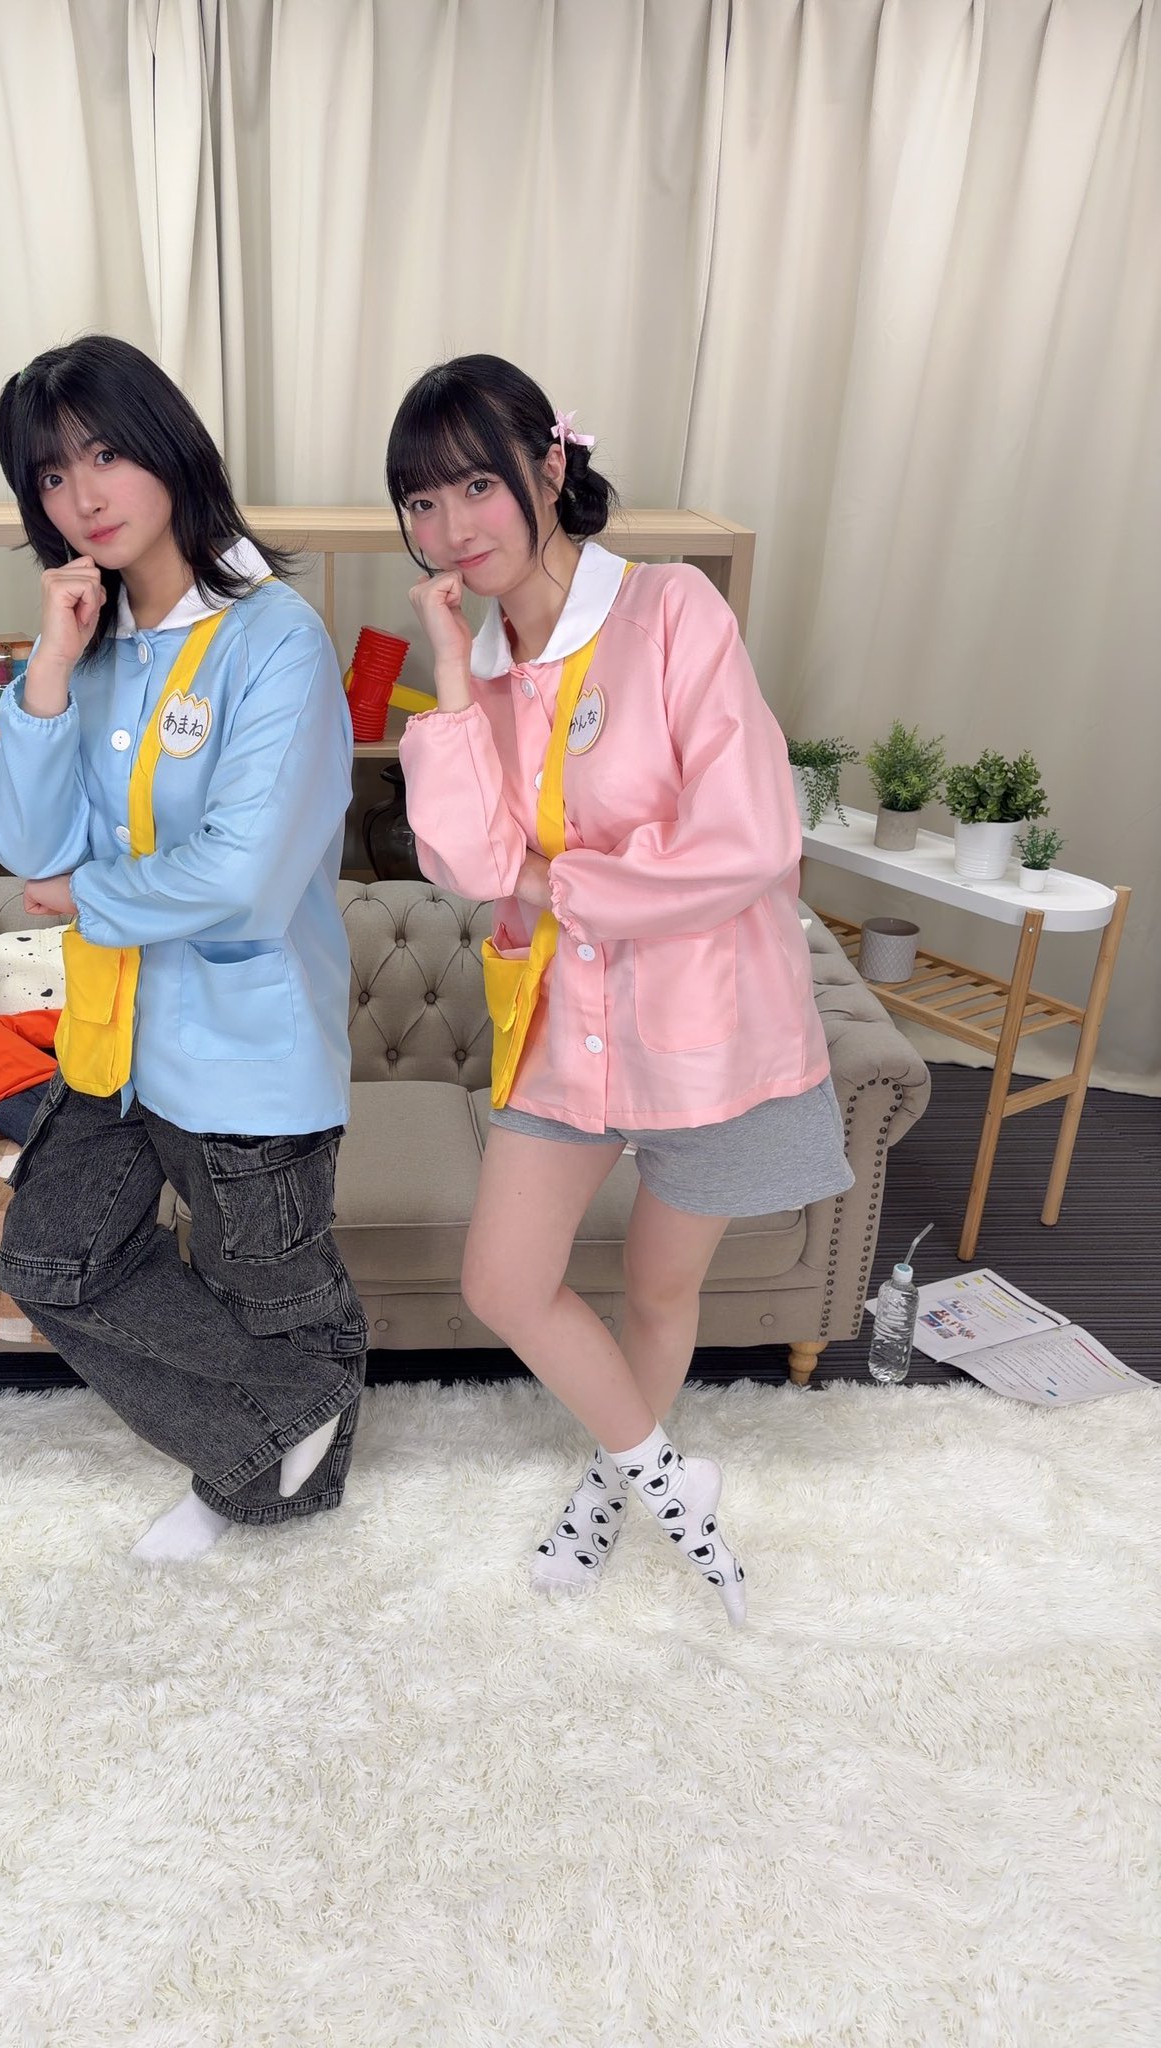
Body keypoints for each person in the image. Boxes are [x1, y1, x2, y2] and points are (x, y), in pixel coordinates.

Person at [387, 354, 854, 1623]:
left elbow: (749, 838)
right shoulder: (483, 662)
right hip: (560, 1026)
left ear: (550, 466)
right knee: (504, 1280)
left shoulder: (672, 612)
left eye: (476, 484)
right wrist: (449, 662)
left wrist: (559, 880)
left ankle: (608, 1484)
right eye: (422, 501)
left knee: (657, 1287)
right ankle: (672, 1483)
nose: (451, 525)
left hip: (708, 1028)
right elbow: (464, 860)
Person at [0, 333, 366, 1564]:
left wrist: (84, 894)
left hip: (246, 1049)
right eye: (50, 475)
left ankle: (259, 1489)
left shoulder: (276, 639)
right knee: (52, 1257)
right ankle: (290, 1412)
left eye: (104, 454)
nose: (81, 496)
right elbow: (18, 839)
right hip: (113, 1042)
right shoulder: (89, 643)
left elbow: (244, 875)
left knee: (276, 1287)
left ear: (169, 446)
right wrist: (50, 664)